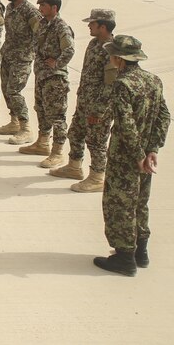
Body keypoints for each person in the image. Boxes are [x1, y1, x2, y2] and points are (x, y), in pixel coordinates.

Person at [93, 35, 169, 276]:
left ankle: (124, 257)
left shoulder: (123, 84)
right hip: (145, 155)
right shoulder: (153, 81)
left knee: (119, 204)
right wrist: (152, 149)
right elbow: (164, 116)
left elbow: (126, 124)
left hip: (125, 156)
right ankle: (141, 252)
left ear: (120, 59)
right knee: (140, 201)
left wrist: (137, 155)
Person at [51, 8, 116, 190]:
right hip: (85, 101)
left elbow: (110, 85)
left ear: (103, 26)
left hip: (98, 106)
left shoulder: (112, 50)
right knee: (75, 133)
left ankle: (97, 177)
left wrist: (98, 110)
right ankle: (74, 166)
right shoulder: (94, 44)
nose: (89, 26)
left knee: (96, 142)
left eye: (92, 23)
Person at [19, 0, 75, 168]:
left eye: (43, 5)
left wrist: (57, 63)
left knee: (56, 116)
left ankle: (57, 152)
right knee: (41, 109)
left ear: (54, 7)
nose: (40, 8)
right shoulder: (42, 23)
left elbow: (70, 50)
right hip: (42, 75)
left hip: (55, 79)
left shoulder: (61, 27)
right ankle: (43, 143)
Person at [0, 0, 41, 140]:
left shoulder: (30, 12)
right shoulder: (10, 8)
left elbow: (40, 35)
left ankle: (25, 127)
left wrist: (33, 54)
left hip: (22, 58)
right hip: (8, 54)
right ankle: (14, 121)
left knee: (14, 91)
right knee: (6, 89)